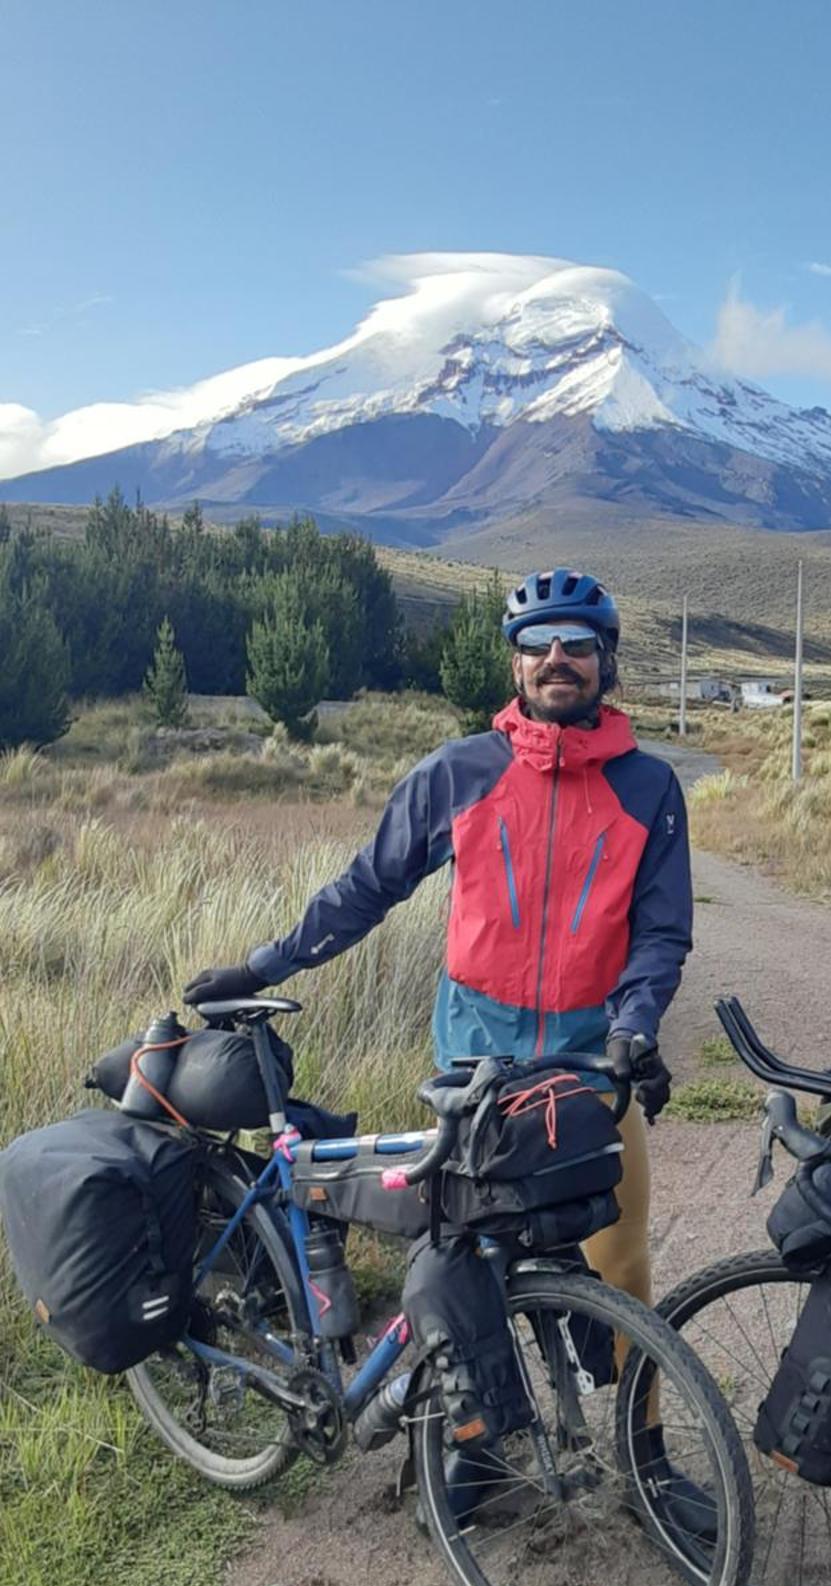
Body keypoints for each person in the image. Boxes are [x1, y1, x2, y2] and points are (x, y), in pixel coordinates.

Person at [185, 568, 701, 1515]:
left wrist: (635, 1027)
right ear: (516, 662)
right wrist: (263, 968)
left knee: (619, 1263)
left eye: (577, 645)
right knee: (464, 1266)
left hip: (590, 1069)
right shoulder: (461, 772)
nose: (558, 660)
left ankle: (647, 1463)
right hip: (472, 1073)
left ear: (606, 664)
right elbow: (364, 889)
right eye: (540, 643)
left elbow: (662, 933)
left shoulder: (649, 787)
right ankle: (473, 1453)